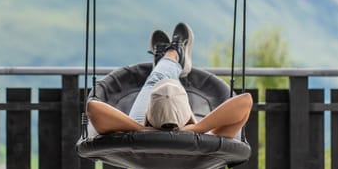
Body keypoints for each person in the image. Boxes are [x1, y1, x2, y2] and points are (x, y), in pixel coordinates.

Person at [86, 22, 252, 138]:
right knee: (162, 82)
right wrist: (197, 129)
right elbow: (246, 101)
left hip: (141, 138)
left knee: (156, 80)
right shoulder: (208, 139)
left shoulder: (132, 135)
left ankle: (170, 59)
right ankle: (174, 57)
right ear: (189, 115)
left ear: (147, 115)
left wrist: (142, 129)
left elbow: (92, 107)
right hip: (191, 142)